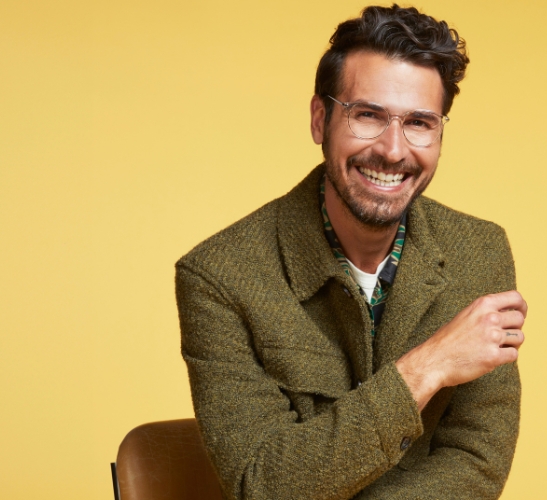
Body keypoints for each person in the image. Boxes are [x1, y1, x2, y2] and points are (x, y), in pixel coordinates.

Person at [175, 5, 526, 499]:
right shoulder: (218, 277)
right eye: (368, 115)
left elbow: (478, 460)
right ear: (321, 119)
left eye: (420, 123)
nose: (393, 149)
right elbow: (263, 484)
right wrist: (425, 367)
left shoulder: (480, 252)